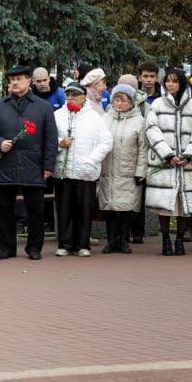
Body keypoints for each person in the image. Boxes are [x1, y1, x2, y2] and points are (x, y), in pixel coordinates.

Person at [0, 66, 58, 261]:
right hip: (5, 164)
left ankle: (34, 248)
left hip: (33, 164)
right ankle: (7, 248)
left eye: (19, 79)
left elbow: (51, 139)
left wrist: (48, 166)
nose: (14, 83)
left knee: (36, 210)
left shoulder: (43, 107)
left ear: (29, 81)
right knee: (3, 209)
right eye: (11, 80)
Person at [144, 67, 192, 256]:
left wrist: (189, 153)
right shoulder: (157, 104)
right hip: (166, 163)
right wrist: (168, 155)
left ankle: (180, 239)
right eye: (167, 81)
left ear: (181, 83)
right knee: (164, 204)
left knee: (184, 205)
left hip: (188, 164)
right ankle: (165, 240)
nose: (170, 85)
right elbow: (152, 130)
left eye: (174, 81)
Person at [51, 84, 113, 257]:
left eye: (74, 95)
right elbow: (48, 139)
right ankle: (64, 243)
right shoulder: (57, 116)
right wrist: (60, 143)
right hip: (63, 170)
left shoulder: (94, 117)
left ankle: (82, 243)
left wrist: (91, 161)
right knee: (64, 208)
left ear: (84, 97)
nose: (70, 98)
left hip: (85, 171)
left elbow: (106, 142)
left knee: (84, 208)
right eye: (68, 94)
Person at [98, 83, 148, 254]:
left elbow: (143, 149)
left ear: (132, 102)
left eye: (124, 100)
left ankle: (124, 240)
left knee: (126, 208)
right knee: (109, 208)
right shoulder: (105, 118)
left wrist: (141, 171)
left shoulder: (139, 121)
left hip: (128, 170)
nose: (119, 103)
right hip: (108, 170)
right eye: (116, 100)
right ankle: (111, 240)